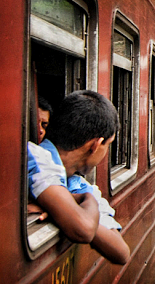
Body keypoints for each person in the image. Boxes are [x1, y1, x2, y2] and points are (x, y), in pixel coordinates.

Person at [27, 90, 130, 265]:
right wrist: (81, 204)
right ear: (95, 145)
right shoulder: (36, 157)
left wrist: (66, 208)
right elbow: (83, 229)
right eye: (108, 145)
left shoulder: (77, 183)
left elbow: (121, 253)